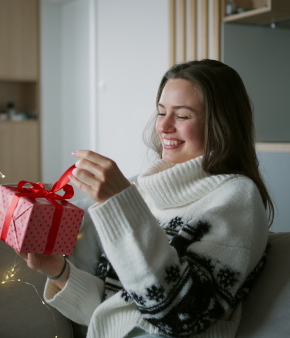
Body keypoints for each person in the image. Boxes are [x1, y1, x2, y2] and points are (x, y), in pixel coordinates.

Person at [18, 59, 274, 338]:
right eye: (161, 112)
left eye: (183, 116)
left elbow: (178, 315)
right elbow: (118, 311)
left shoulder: (236, 196)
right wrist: (58, 271)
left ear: (221, 124)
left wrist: (120, 203)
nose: (163, 126)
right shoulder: (145, 190)